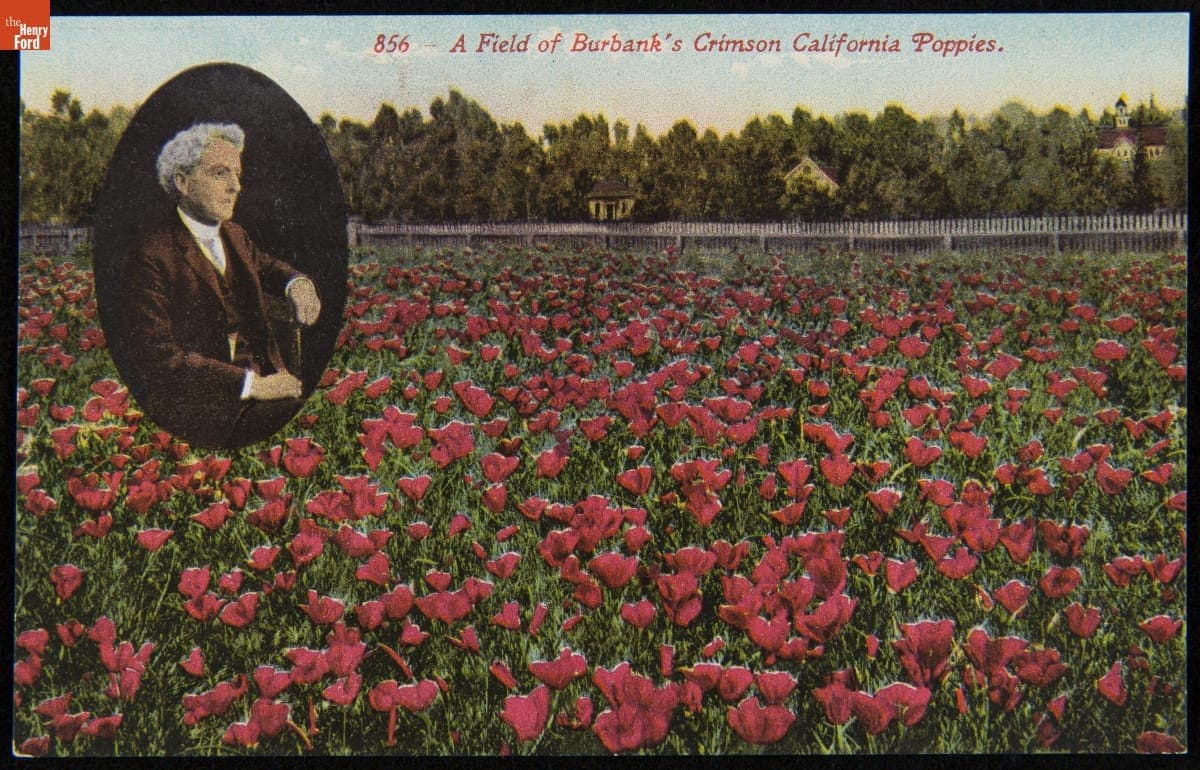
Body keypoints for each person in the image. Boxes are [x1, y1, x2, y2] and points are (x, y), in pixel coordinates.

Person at [123, 122, 321, 447]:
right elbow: (162, 360)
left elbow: (271, 268)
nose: (235, 187)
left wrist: (298, 284)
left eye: (237, 175)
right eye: (220, 174)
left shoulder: (235, 234)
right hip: (203, 413)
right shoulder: (152, 255)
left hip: (266, 389)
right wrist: (253, 386)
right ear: (183, 182)